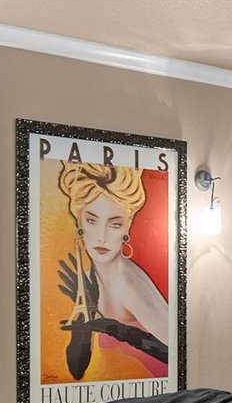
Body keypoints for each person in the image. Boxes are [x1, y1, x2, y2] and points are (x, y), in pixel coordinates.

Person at [55, 158, 170, 378]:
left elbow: (176, 355)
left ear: (127, 227)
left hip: (162, 401)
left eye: (114, 224)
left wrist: (121, 332)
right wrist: (82, 326)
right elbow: (77, 370)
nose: (102, 236)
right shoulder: (90, 279)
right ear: (79, 222)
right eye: (91, 221)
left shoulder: (127, 283)